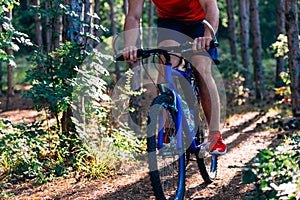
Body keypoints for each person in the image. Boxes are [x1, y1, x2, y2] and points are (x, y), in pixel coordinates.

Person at [122, 0, 227, 155]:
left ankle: (214, 135)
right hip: (171, 24)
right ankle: (168, 131)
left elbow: (211, 7)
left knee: (201, 68)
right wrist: (130, 45)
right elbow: (133, 16)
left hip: (201, 22)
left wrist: (207, 36)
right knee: (165, 63)